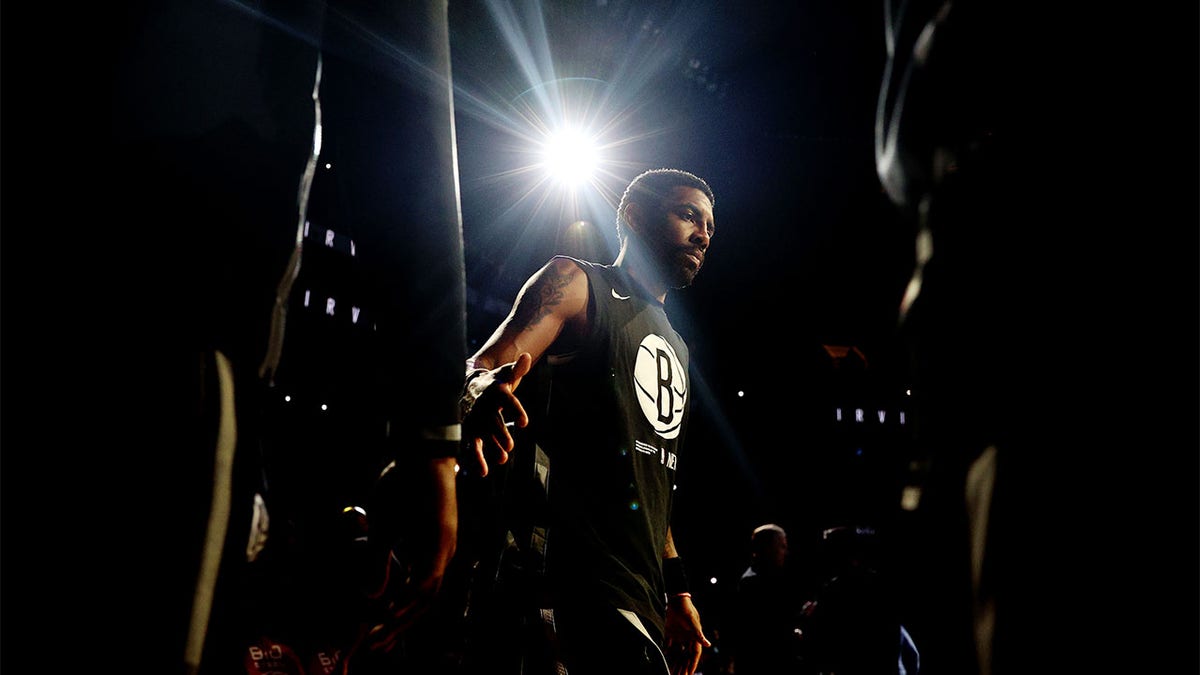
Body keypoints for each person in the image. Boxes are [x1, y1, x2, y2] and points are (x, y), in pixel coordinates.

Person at [458, 168, 717, 675]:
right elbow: (481, 366)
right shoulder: (576, 282)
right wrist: (482, 392)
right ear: (633, 215)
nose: (703, 234)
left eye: (709, 224)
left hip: (638, 596)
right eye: (688, 214)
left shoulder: (679, 347)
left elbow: (651, 480)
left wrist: (677, 589)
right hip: (558, 585)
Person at [726, 523, 804, 675]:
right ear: (767, 548)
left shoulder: (760, 579)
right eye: (781, 546)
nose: (785, 552)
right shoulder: (753, 583)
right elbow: (768, 632)